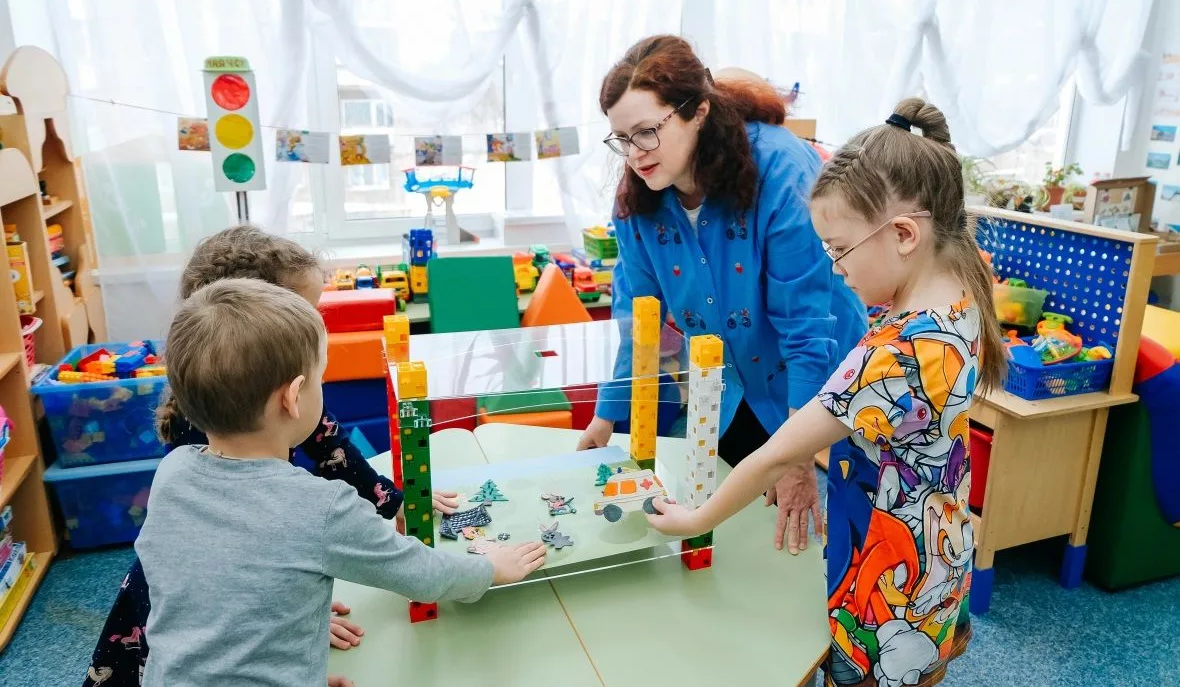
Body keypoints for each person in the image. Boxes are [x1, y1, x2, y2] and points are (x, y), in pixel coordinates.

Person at [649, 98, 1003, 687]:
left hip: (886, 588)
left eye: (840, 248)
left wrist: (695, 518)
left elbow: (778, 454)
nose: (835, 268)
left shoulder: (894, 356)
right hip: (939, 550)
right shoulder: (961, 287)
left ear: (905, 234)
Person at [84, 225, 462, 687]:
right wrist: (276, 627)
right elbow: (227, 563)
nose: (314, 325)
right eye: (302, 312)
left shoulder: (248, 392)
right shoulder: (208, 427)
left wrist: (392, 501)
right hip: (192, 602)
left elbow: (329, 446)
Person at [135, 278, 545, 686]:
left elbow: (215, 596)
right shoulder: (320, 507)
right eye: (320, 380)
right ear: (293, 397)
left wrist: (294, 666)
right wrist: (491, 568)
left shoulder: (173, 473)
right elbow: (423, 574)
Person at [577, 35, 867, 554]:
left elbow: (807, 325)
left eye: (647, 132)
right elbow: (638, 320)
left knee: (826, 537)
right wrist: (607, 417)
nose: (635, 154)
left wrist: (797, 457)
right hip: (730, 383)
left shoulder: (779, 169)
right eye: (621, 138)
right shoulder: (640, 202)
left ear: (698, 111)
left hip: (817, 381)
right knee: (735, 531)